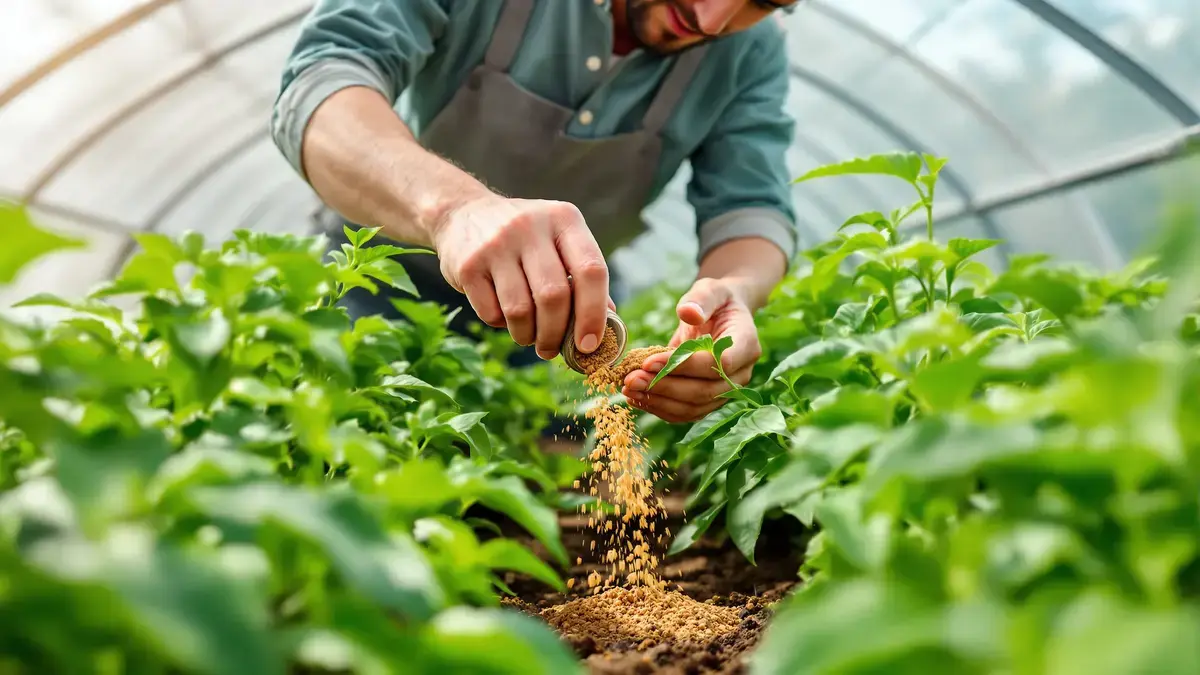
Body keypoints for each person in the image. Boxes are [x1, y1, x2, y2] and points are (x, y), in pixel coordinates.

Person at [271, 0, 800, 425]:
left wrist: (734, 291)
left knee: (533, 453)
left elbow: (750, 203)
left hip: (548, 335)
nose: (711, 19)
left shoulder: (750, 53)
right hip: (377, 290)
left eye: (763, 2)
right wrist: (455, 211)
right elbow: (323, 79)